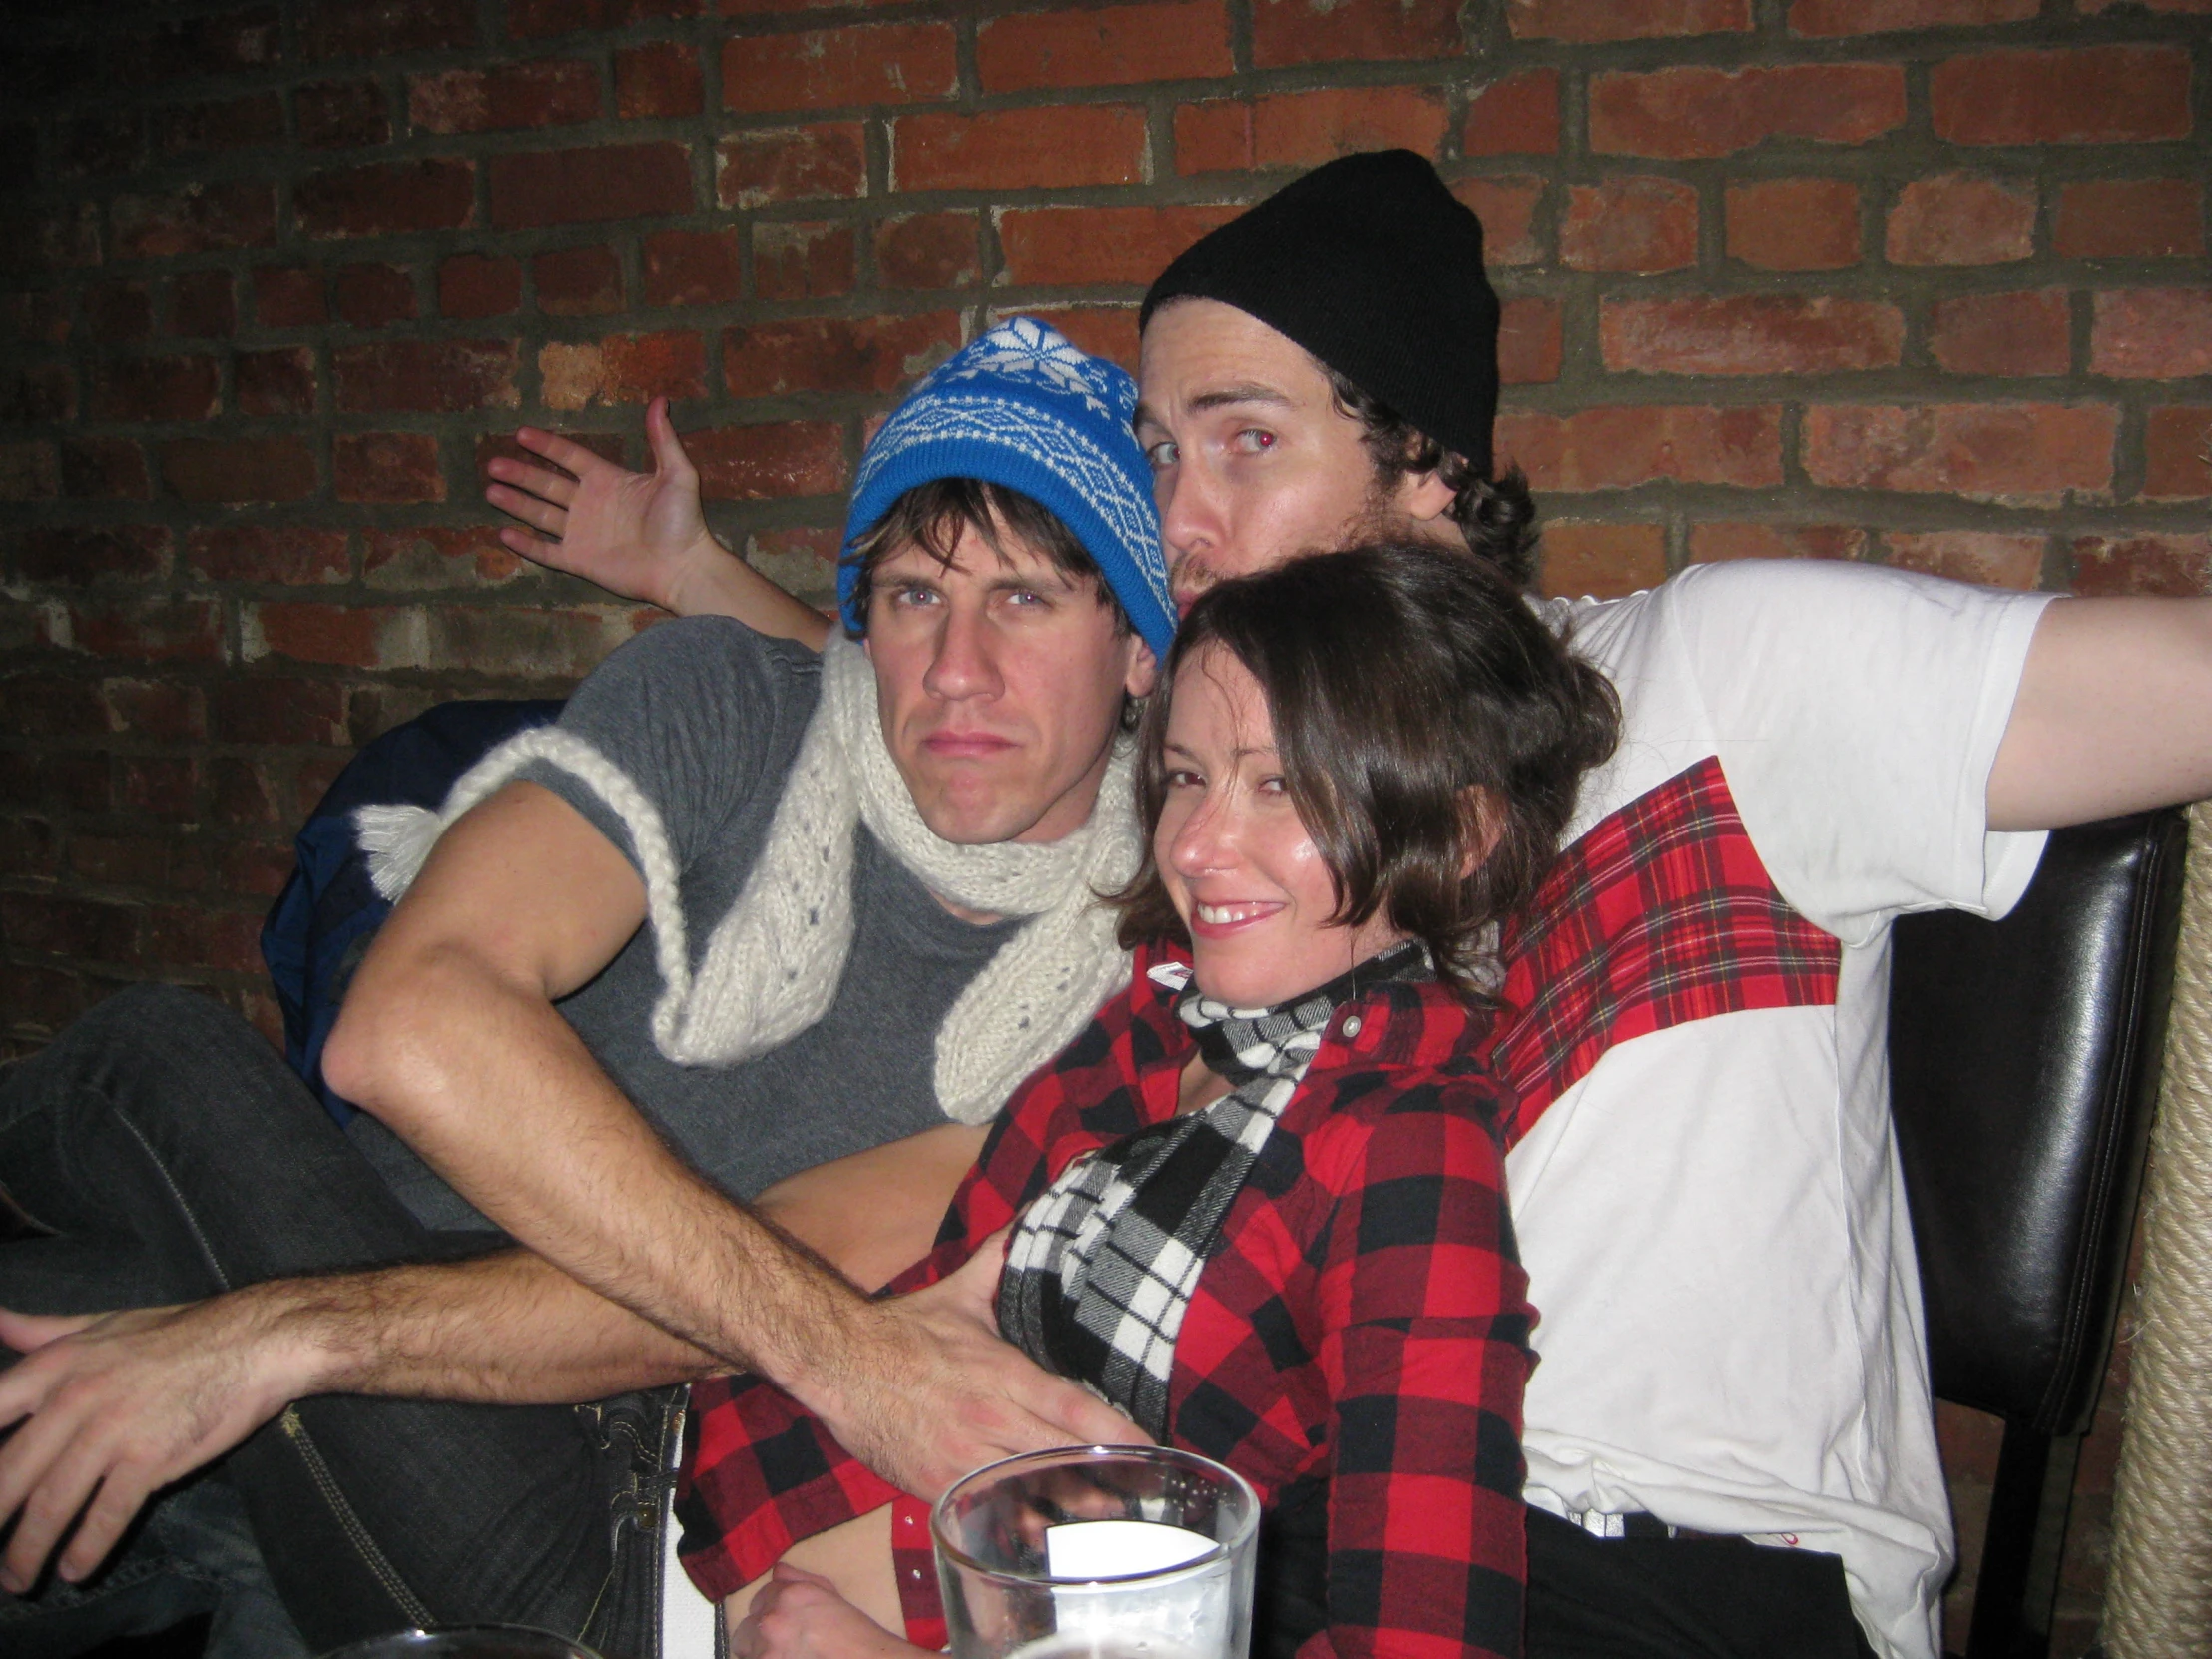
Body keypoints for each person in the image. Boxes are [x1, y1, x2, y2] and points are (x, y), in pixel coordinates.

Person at [493, 153, 2212, 1659]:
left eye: (1246, 441)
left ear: (1433, 472)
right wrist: (709, 584)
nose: (1179, 518)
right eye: (1160, 454)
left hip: (1668, 1565)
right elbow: (952, 699)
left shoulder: (1715, 691)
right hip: (1283, 1525)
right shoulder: (1226, 807)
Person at [0, 320, 1167, 1657]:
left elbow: (791, 1256)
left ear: (1139, 646)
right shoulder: (727, 701)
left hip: (580, 1445)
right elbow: (410, 1018)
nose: (957, 665)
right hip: (344, 1251)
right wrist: (256, 1331)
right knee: (83, 1343)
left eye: (1026, 598)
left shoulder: (1123, 995)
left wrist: (273, 1338)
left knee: (152, 1058)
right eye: (913, 594)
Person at [684, 541, 1620, 1659]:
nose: (1197, 844)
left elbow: (1427, 1641)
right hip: (693, 1486)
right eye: (1185, 775)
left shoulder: (1404, 1144)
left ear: (1461, 838)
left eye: (1280, 785)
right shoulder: (1160, 1010)